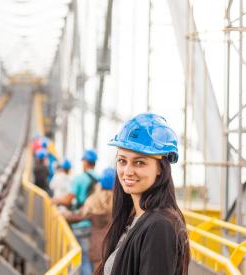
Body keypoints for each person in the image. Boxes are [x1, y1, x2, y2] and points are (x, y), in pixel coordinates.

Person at [98, 113, 190, 275]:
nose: (127, 171)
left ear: (160, 168)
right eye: (122, 161)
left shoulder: (160, 226)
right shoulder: (133, 217)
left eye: (139, 162)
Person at [53, 149, 99, 275]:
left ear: (85, 162)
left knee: (81, 259)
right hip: (94, 224)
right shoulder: (99, 179)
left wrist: (56, 201)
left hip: (79, 223)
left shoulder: (80, 179)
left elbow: (69, 200)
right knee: (88, 258)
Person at [64, 167, 115, 272]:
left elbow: (76, 216)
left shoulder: (94, 201)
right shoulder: (122, 203)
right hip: (115, 248)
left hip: (98, 249)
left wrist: (63, 215)